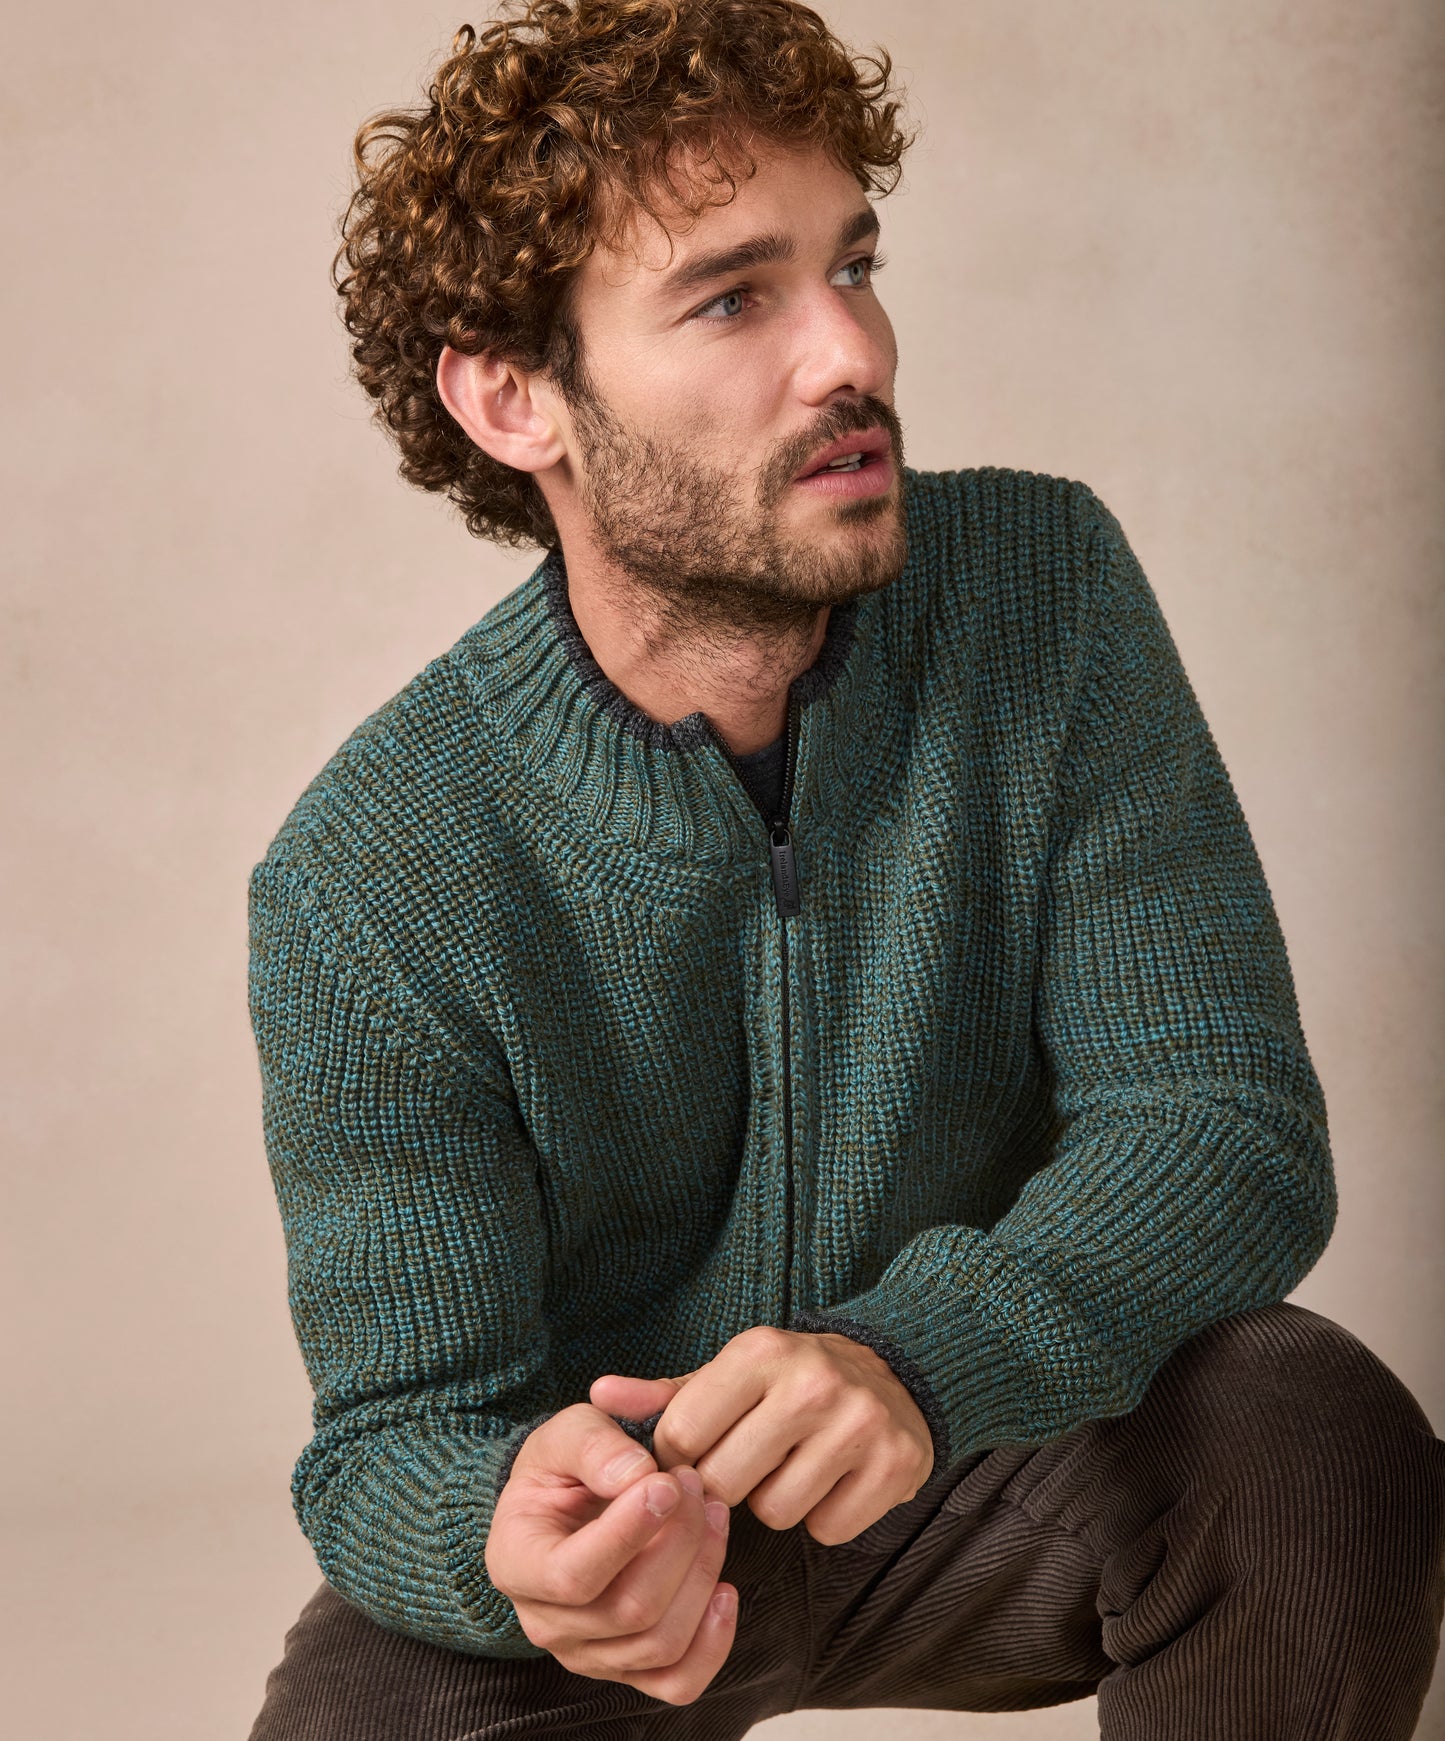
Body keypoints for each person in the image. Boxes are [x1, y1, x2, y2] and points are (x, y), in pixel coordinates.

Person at [244, 2, 1445, 1735]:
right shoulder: (374, 869)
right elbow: (391, 1433)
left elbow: (1219, 1119)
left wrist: (915, 1359)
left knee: (1306, 1428)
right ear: (515, 397)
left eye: (852, 263)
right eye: (734, 296)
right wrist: (497, 1533)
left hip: (1004, 1447)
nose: (848, 352)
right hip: (652, 1553)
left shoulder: (1044, 589)